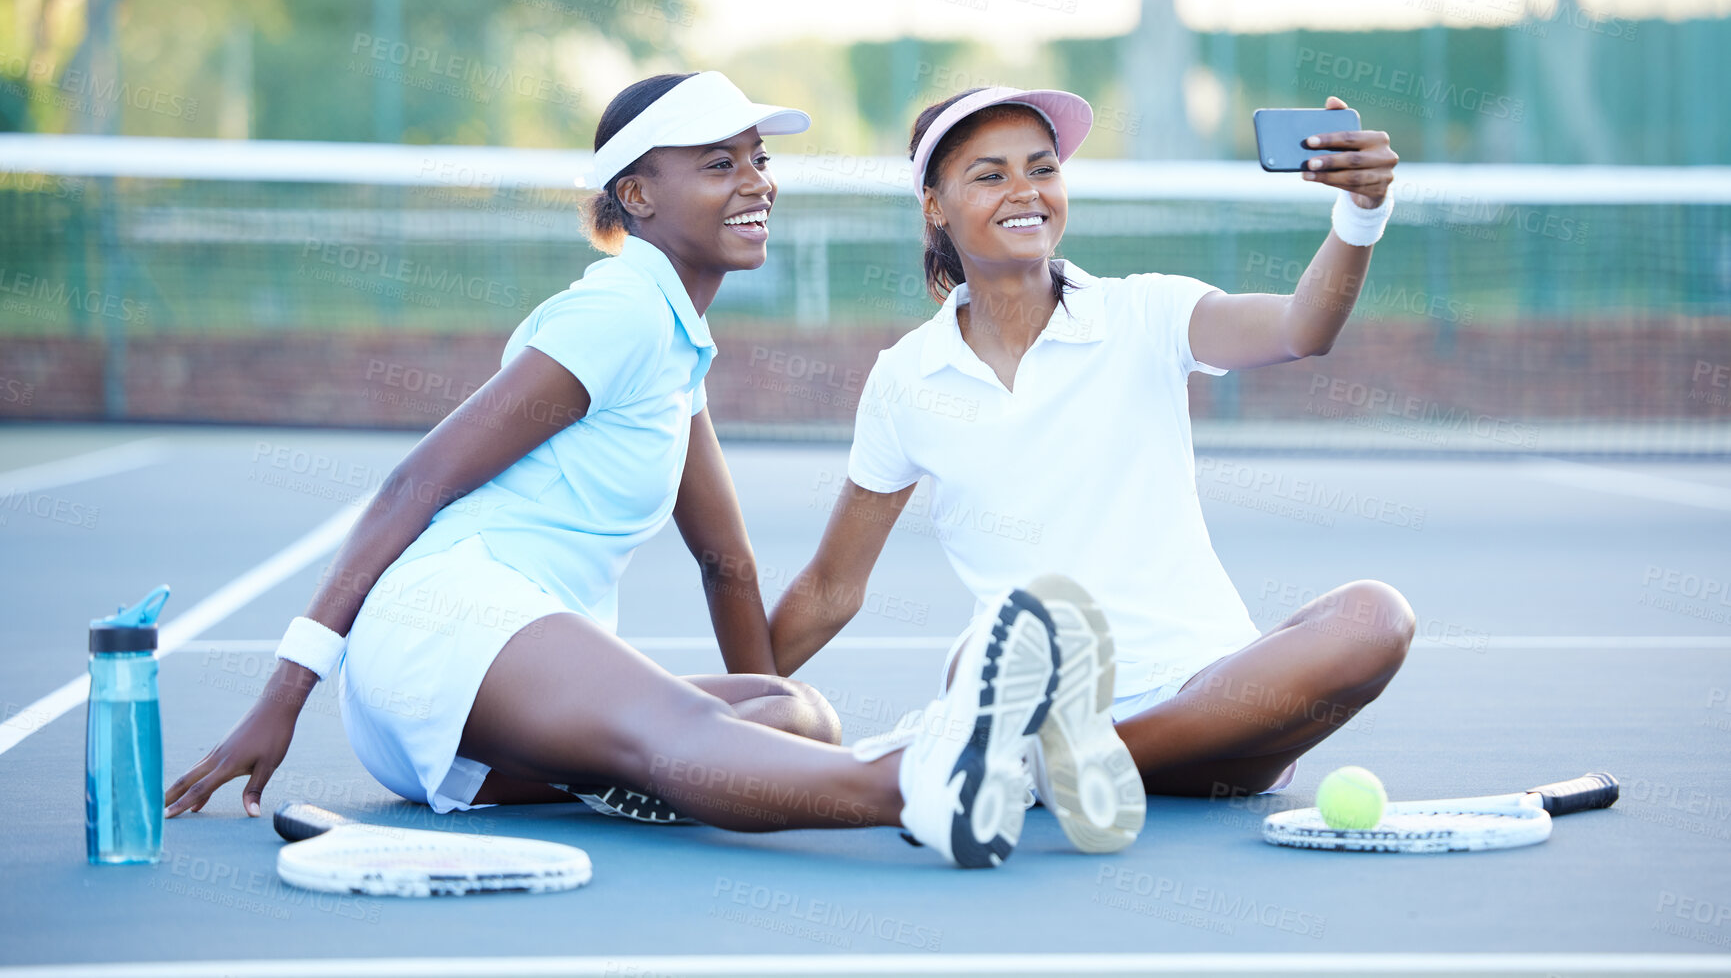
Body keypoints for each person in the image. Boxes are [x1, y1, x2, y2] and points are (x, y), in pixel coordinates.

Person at [163, 72, 1101, 869]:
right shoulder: (615, 313)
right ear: (638, 196)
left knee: (796, 714)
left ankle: (793, 764)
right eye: (718, 163)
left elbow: (725, 563)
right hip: (448, 624)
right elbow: (414, 484)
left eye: (758, 160)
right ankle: (927, 783)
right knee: (703, 738)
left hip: (485, 738)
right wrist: (280, 700)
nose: (756, 183)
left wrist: (766, 725)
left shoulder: (673, 344)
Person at [770, 85, 1415, 825]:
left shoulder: (1145, 312)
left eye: (1042, 169)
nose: (1025, 192)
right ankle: (1041, 754)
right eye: (989, 175)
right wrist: (715, 722)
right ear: (934, 206)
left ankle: (1029, 764)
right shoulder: (904, 378)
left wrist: (1361, 211)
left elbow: (1303, 327)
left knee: (1375, 617)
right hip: (1040, 689)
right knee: (982, 649)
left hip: (1211, 702)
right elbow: (831, 587)